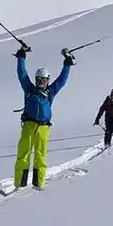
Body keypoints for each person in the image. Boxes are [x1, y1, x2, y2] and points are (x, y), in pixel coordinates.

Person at [13, 45, 74, 190]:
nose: (41, 82)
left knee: (40, 156)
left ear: (47, 80)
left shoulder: (51, 91)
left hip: (44, 127)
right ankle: (19, 184)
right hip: (28, 126)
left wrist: (67, 64)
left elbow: (62, 80)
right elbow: (21, 74)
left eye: (44, 80)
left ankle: (38, 183)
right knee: (23, 154)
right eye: (39, 80)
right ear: (35, 80)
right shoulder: (29, 89)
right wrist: (21, 57)